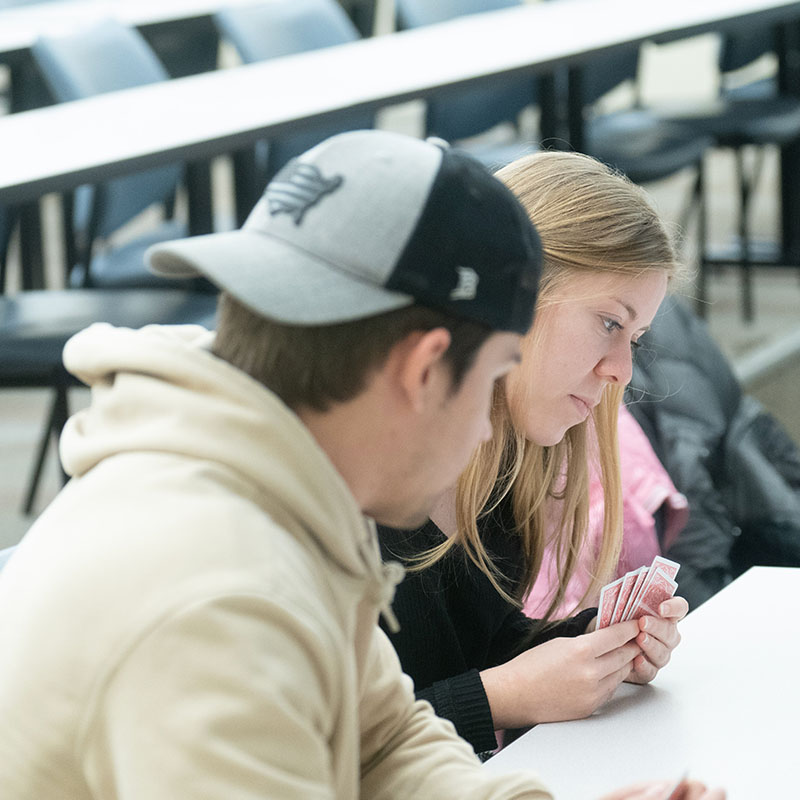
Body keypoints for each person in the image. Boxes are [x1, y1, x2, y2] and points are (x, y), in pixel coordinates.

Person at [0, 130, 723, 800]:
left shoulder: (293, 493)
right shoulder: (216, 599)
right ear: (423, 370)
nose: (484, 431)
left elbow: (382, 742)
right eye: (493, 376)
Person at [378, 150, 690, 754]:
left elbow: (473, 651)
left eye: (636, 338)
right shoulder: (360, 482)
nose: (621, 371)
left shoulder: (514, 465)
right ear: (516, 292)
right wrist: (500, 698)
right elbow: (321, 740)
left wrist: (589, 651)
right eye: (607, 323)